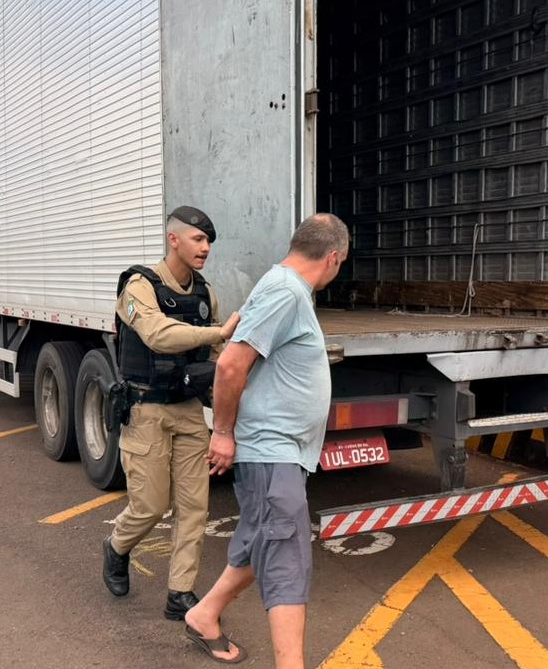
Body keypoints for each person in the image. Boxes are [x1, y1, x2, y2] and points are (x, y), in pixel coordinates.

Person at [183, 213, 349, 667]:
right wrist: (222, 433)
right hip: (271, 449)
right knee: (287, 556)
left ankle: (204, 615)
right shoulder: (285, 291)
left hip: (281, 451)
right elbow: (230, 365)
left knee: (262, 538)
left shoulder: (285, 288)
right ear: (333, 258)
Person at [102, 205, 240, 623]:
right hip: (145, 409)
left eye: (209, 241)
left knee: (194, 507)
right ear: (173, 239)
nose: (206, 248)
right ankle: (116, 547)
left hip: (188, 410)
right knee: (149, 506)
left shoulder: (205, 293)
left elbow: (217, 351)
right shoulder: (138, 286)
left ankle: (180, 593)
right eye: (198, 239)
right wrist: (218, 332)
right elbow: (158, 334)